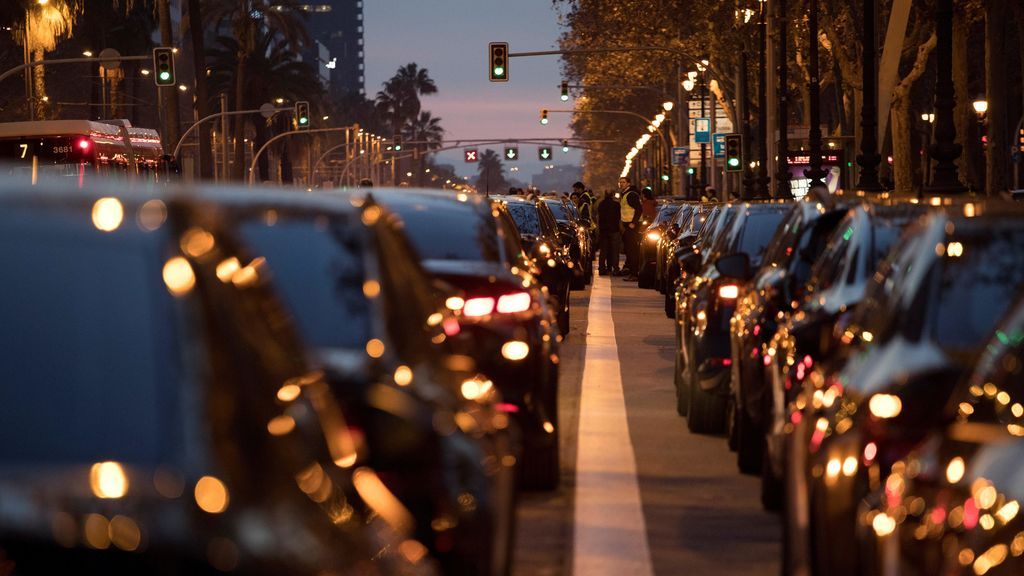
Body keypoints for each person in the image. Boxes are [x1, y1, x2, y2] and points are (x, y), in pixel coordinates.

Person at [617, 176, 642, 279]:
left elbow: (639, 209)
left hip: (632, 226)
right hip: (628, 225)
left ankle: (634, 274)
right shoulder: (626, 194)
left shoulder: (631, 195)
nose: (621, 184)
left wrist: (633, 223)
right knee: (629, 250)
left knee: (632, 250)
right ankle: (632, 273)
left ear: (628, 183)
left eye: (623, 182)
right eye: (620, 182)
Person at [597, 189, 622, 276]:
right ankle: (615, 269)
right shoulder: (616, 205)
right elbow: (619, 217)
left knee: (603, 251)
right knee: (615, 251)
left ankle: (601, 268)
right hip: (614, 229)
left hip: (603, 230)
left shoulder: (601, 204)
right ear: (613, 195)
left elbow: (599, 217)